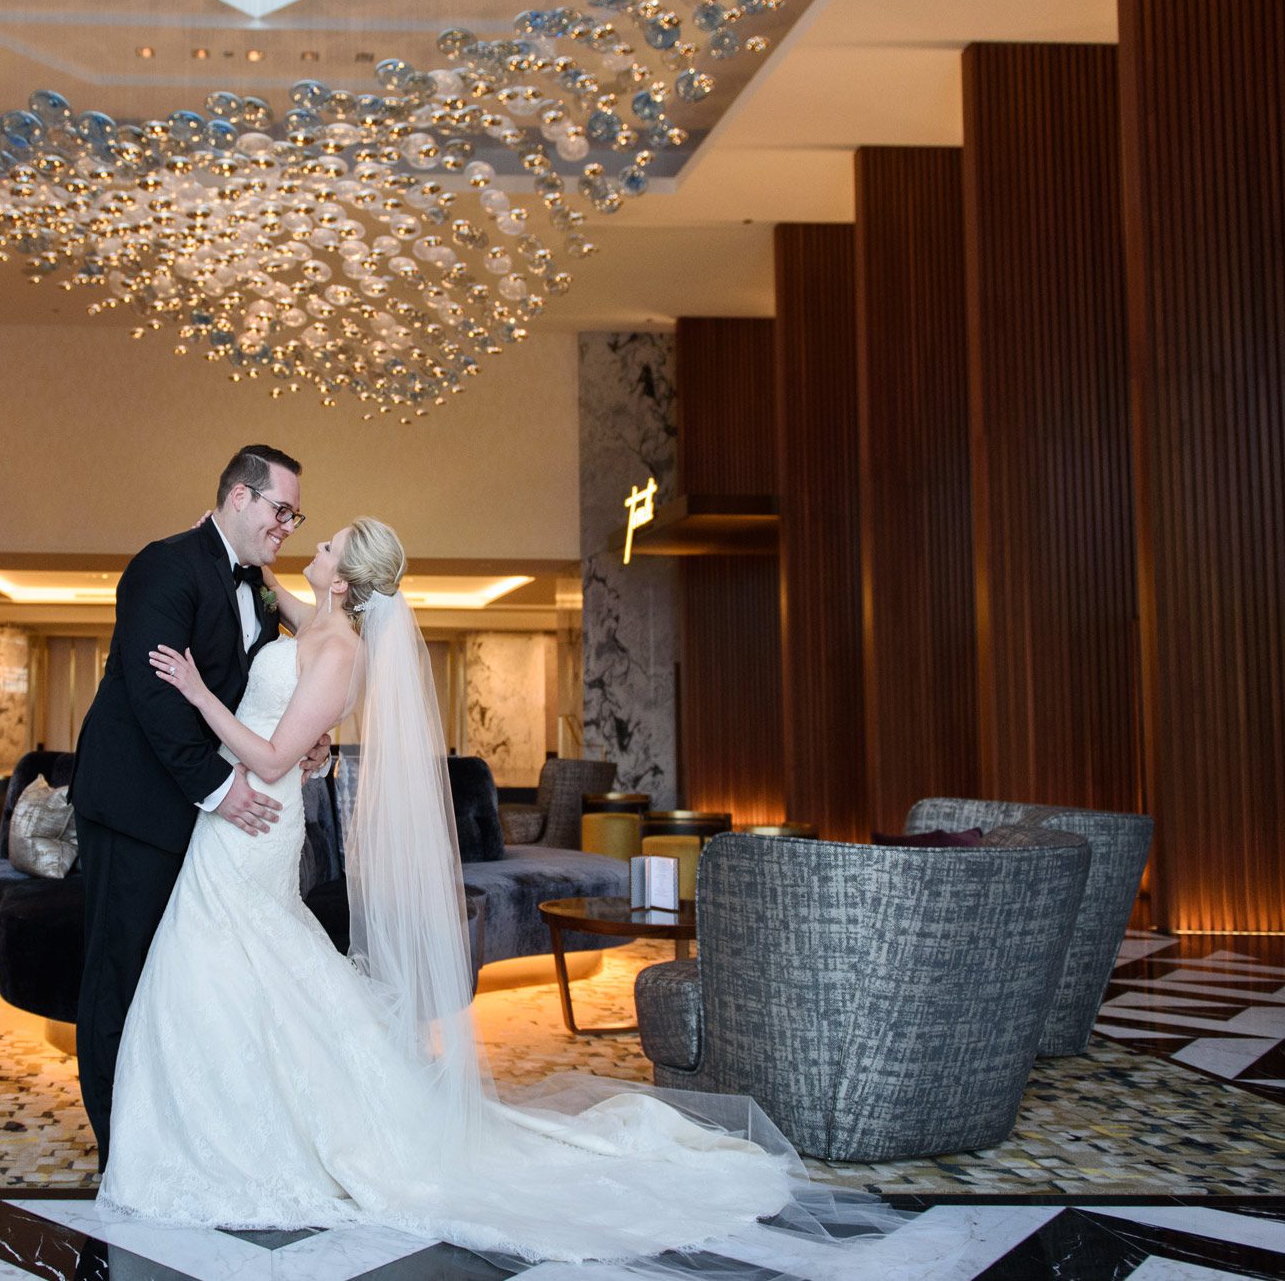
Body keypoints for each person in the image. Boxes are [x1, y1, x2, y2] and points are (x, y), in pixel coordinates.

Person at [97, 517, 922, 1269]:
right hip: (237, 828)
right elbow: (260, 592)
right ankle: (220, 1132)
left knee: (228, 964)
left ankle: (241, 1142)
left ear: (344, 578)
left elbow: (276, 759)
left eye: (328, 539)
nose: (308, 539)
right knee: (238, 973)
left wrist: (199, 695)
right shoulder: (314, 616)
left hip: (254, 817)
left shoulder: (339, 644)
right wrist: (239, 557)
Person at [69, 444, 328, 1168]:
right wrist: (220, 789)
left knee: (180, 985)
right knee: (121, 978)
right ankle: (119, 1146)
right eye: (282, 509)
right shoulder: (165, 564)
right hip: (136, 804)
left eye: (296, 515)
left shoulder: (263, 590)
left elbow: (256, 693)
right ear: (239, 497)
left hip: (201, 818)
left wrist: (312, 737)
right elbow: (153, 694)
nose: (288, 524)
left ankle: (175, 1134)